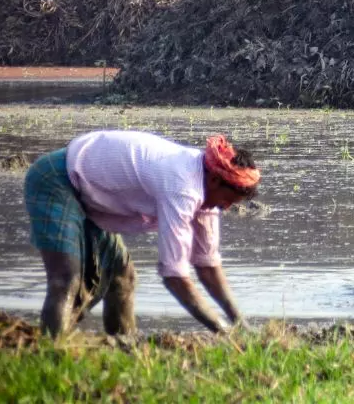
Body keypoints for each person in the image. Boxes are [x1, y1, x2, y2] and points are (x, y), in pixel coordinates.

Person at [24, 130, 260, 336]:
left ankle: (123, 347)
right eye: (227, 201)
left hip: (93, 196)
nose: (225, 208)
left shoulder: (207, 195)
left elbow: (207, 265)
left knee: (122, 276)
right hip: (58, 179)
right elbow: (175, 276)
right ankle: (52, 351)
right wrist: (223, 331)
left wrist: (241, 324)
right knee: (66, 278)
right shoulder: (182, 187)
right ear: (215, 180)